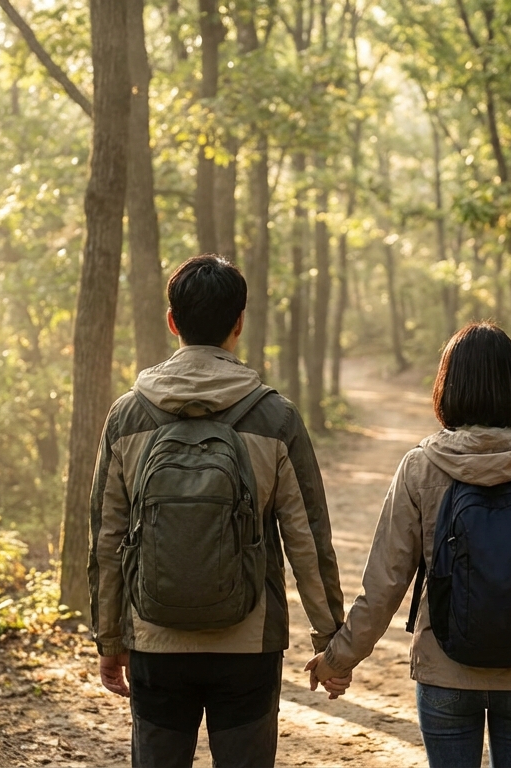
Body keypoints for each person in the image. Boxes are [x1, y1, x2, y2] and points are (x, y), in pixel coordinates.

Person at [88, 255, 348, 768]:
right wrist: (330, 641)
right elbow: (307, 538)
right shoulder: (275, 416)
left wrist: (110, 637)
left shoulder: (128, 414)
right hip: (248, 643)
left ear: (172, 321)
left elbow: (106, 536)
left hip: (154, 637)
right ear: (239, 322)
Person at [306, 322, 511, 768]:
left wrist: (338, 660)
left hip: (445, 671)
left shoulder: (421, 467)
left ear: (447, 386)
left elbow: (385, 583)